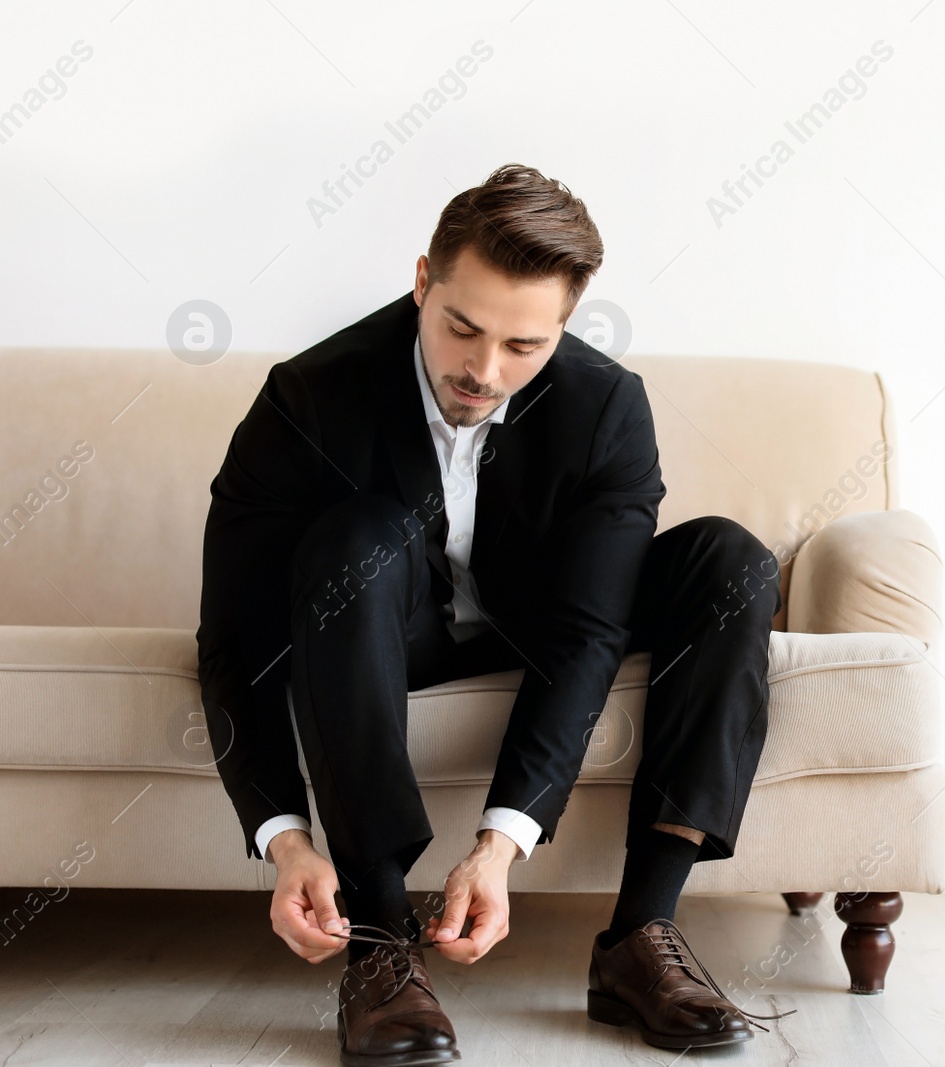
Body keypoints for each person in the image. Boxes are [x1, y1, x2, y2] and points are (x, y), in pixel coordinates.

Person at [195, 163, 787, 1063]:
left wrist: (500, 844)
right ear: (423, 279)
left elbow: (591, 630)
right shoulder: (307, 398)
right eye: (462, 328)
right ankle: (384, 942)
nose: (483, 369)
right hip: (393, 631)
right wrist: (285, 840)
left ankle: (640, 938)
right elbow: (235, 639)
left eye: (525, 346)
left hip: (545, 620)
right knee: (358, 535)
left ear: (563, 327)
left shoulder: (607, 406)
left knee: (732, 561)